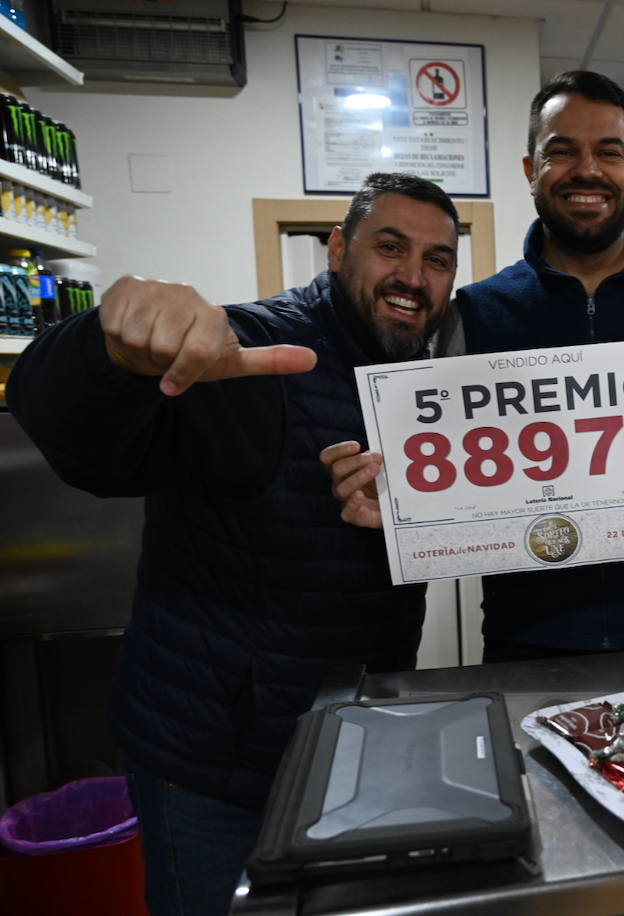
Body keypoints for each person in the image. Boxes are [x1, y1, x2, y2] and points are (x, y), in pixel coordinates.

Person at [6, 172, 462, 914]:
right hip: (213, 768)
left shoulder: (427, 383)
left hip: (352, 748)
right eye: (390, 247)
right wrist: (108, 353)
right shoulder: (252, 350)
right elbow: (78, 441)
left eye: (437, 259)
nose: (413, 275)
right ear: (338, 249)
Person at [324, 71, 624, 664]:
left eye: (608, 153)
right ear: (531, 171)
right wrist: (383, 488)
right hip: (528, 642)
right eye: (562, 152)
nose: (588, 171)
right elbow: (428, 485)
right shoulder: (475, 312)